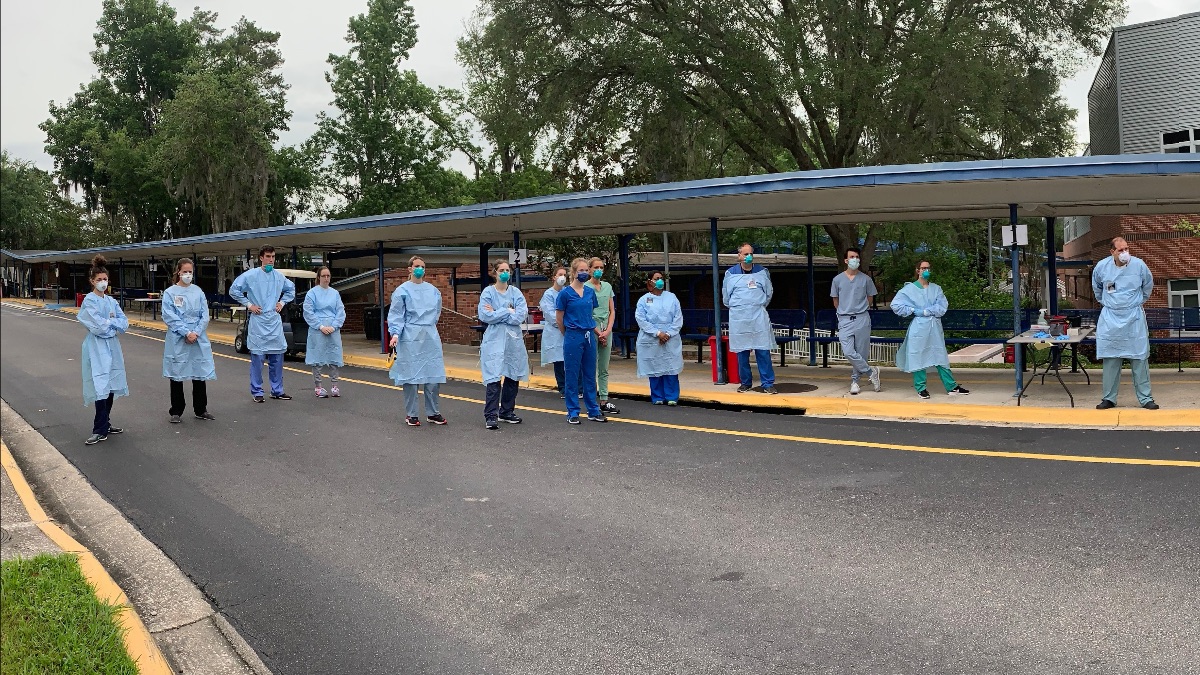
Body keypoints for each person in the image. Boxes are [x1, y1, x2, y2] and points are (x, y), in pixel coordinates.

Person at [1092, 237, 1157, 410]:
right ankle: (1109, 398)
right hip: (1110, 317)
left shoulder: (1139, 265)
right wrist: (1112, 304)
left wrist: (1133, 303)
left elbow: (1147, 287)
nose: (1124, 253)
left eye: (1126, 249)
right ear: (1112, 252)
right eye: (1120, 250)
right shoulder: (1101, 267)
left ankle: (1146, 398)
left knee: (1139, 359)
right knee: (1111, 359)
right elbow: (1097, 289)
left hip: (1133, 316)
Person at [890, 260, 970, 399]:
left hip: (934, 327)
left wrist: (928, 311)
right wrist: (914, 310)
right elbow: (896, 305)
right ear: (917, 270)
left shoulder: (936, 289)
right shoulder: (908, 290)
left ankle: (952, 386)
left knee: (940, 355)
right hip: (919, 328)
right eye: (923, 268)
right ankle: (921, 388)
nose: (926, 270)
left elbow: (942, 306)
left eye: (928, 268)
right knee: (918, 356)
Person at [229, 245, 296, 402]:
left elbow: (291, 289)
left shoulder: (279, 277)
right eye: (268, 256)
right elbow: (234, 290)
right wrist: (249, 305)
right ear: (261, 258)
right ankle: (257, 391)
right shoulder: (251, 275)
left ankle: (277, 390)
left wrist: (282, 302)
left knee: (277, 357)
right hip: (258, 320)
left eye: (273, 257)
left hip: (273, 320)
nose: (271, 260)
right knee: (258, 359)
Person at [388, 256, 448, 426]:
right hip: (410, 337)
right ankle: (412, 414)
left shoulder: (433, 291)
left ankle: (433, 412)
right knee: (411, 377)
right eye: (416, 266)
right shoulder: (402, 291)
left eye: (422, 266)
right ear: (409, 269)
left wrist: (427, 327)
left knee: (433, 376)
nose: (420, 269)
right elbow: (396, 315)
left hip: (430, 336)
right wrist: (395, 334)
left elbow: (436, 313)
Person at [78, 255, 128, 445]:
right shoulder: (89, 302)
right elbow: (96, 326)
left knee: (111, 383)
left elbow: (124, 323)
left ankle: (106, 422)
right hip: (96, 347)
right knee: (100, 384)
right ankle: (99, 428)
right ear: (92, 281)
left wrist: (109, 323)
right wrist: (111, 325)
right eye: (99, 280)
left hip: (112, 346)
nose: (102, 283)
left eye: (105, 279)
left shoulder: (111, 302)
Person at [161, 258, 216, 423]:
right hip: (178, 338)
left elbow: (204, 315)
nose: (187, 275)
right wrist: (186, 332)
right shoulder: (171, 292)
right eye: (184, 271)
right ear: (178, 272)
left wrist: (196, 332)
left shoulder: (198, 291)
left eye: (190, 272)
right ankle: (176, 410)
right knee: (177, 373)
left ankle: (201, 409)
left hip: (197, 337)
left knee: (199, 372)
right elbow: (169, 316)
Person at [479, 260, 529, 430]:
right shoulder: (488, 292)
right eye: (502, 270)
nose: (505, 273)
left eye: (507, 270)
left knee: (512, 375)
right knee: (494, 377)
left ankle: (506, 411)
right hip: (494, 340)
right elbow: (485, 315)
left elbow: (521, 315)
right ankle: (491, 415)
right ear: (495, 272)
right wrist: (508, 310)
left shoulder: (515, 292)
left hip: (513, 340)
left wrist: (498, 313)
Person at [556, 257, 607, 424]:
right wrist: (569, 333)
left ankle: (593, 409)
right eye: (581, 271)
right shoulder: (565, 294)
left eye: (586, 270)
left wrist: (596, 332)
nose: (584, 273)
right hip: (573, 334)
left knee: (589, 374)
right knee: (572, 373)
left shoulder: (590, 292)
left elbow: (590, 313)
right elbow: (559, 318)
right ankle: (573, 411)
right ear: (574, 272)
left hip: (589, 335)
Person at [722, 243, 777, 394]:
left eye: (750, 254)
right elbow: (726, 298)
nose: (748, 257)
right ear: (739, 256)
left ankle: (767, 383)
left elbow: (768, 293)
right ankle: (745, 382)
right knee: (742, 352)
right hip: (739, 318)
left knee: (763, 351)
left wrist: (756, 305)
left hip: (758, 316)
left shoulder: (762, 272)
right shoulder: (730, 274)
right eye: (745, 254)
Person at [830, 247, 881, 395]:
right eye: (852, 257)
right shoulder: (837, 280)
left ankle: (855, 381)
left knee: (861, 352)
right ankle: (871, 372)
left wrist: (860, 308)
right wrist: (843, 313)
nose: (855, 260)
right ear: (846, 260)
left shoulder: (866, 279)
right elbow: (835, 300)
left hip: (861, 318)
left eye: (857, 257)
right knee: (848, 351)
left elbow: (870, 298)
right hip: (845, 319)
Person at [635, 272, 683, 405]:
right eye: (657, 279)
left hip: (670, 338)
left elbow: (678, 318)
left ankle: (672, 396)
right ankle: (657, 396)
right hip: (652, 339)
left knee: (670, 366)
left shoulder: (672, 297)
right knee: (654, 367)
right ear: (650, 281)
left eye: (661, 278)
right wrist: (657, 333)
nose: (660, 281)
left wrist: (668, 333)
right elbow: (641, 319)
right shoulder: (643, 300)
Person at [304, 266, 346, 399]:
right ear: (319, 277)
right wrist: (320, 326)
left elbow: (340, 311)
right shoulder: (312, 293)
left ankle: (334, 385)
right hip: (318, 330)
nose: (326, 278)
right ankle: (318, 386)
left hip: (333, 329)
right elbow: (308, 312)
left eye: (328, 276)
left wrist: (334, 326)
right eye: (324, 276)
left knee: (334, 357)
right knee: (318, 358)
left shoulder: (335, 293)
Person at [588, 257, 621, 414]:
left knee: (604, 367)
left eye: (601, 267)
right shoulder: (586, 287)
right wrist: (597, 331)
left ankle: (604, 399)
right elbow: (586, 312)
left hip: (606, 328)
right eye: (595, 267)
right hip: (592, 328)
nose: (598, 270)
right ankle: (591, 400)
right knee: (590, 366)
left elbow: (612, 310)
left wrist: (607, 331)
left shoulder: (607, 286)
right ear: (590, 270)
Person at [538, 266, 571, 396]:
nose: (562, 277)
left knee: (570, 360)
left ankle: (573, 388)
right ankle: (563, 388)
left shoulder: (568, 292)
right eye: (560, 274)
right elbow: (551, 315)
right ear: (554, 277)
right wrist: (564, 324)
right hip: (555, 333)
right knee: (559, 360)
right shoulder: (548, 294)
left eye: (565, 275)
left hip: (569, 330)